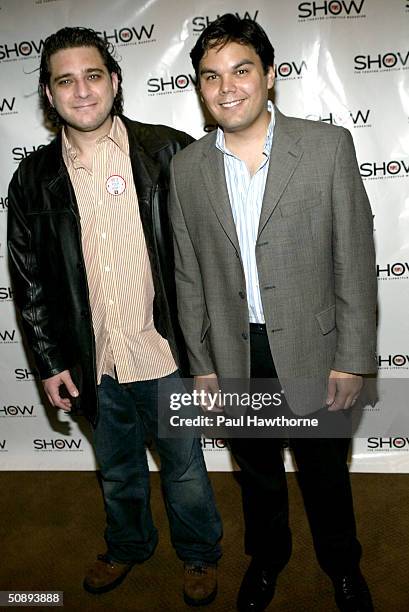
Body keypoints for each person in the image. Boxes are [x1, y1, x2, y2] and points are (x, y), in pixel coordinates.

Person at [7, 26, 222, 606]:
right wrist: (50, 362)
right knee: (119, 471)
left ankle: (199, 555)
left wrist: (208, 348)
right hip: (92, 359)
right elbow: (29, 285)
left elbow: (214, 254)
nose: (81, 91)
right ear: (49, 96)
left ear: (115, 82)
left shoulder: (168, 150)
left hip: (164, 352)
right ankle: (127, 546)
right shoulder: (31, 179)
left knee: (184, 469)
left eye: (93, 75)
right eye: (65, 80)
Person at [169, 14, 376, 612]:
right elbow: (187, 275)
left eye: (240, 70)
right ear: (200, 88)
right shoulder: (185, 170)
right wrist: (202, 366)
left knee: (325, 476)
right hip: (237, 354)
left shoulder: (328, 146)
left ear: (270, 76)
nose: (226, 87)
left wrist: (354, 356)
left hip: (316, 349)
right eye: (210, 76)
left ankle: (342, 566)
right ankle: (267, 561)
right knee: (256, 475)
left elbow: (355, 261)